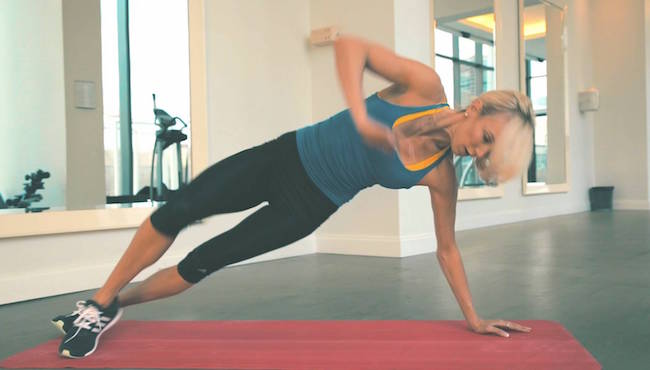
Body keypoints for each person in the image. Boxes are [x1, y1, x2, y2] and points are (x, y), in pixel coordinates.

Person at [52, 34, 534, 358]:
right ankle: (99, 298)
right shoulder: (424, 87)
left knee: (205, 261)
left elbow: (446, 249)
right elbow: (350, 46)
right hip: (283, 157)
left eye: (490, 156)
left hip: (309, 206)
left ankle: (110, 308)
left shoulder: (440, 177)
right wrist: (362, 117)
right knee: (178, 210)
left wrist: (474, 319)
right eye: (488, 137)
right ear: (476, 106)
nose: (479, 151)